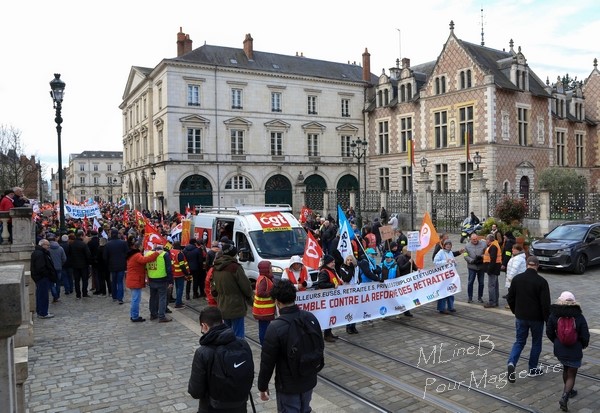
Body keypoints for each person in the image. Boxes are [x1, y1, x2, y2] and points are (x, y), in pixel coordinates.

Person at [258, 279, 324, 412]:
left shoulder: (275, 327)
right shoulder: (310, 317)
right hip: (309, 378)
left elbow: (267, 362)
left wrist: (262, 386)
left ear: (277, 302)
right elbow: (320, 345)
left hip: (288, 385)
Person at [188, 306, 253, 413]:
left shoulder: (203, 352)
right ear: (222, 321)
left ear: (204, 326)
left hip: (212, 407)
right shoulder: (243, 344)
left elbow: (195, 391)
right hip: (240, 406)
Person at [506, 255, 551, 383]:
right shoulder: (541, 282)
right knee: (536, 343)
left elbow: (510, 298)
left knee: (519, 342)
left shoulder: (517, 279)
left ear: (527, 265)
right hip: (536, 318)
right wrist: (547, 320)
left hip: (521, 316)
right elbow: (545, 304)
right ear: (537, 266)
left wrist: (515, 311)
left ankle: (511, 363)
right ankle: (532, 369)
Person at [546, 291, 590, 412]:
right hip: (574, 350)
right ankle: (565, 396)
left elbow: (549, 332)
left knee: (566, 369)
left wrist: (556, 341)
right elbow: (585, 334)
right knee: (572, 374)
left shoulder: (554, 315)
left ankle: (568, 390)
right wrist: (582, 345)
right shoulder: (578, 316)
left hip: (560, 349)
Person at [211, 240, 254, 338]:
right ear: (233, 254)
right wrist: (250, 298)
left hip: (222, 305)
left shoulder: (215, 267)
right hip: (236, 305)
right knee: (238, 335)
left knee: (226, 334)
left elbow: (213, 288)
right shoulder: (235, 267)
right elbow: (246, 287)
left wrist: (219, 299)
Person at [126, 241, 159, 322]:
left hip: (133, 279)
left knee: (135, 299)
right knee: (136, 299)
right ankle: (135, 316)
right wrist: (156, 253)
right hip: (135, 280)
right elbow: (145, 260)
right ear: (140, 247)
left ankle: (133, 315)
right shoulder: (137, 255)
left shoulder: (133, 255)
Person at [317, 254, 344, 342]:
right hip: (327, 298)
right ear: (327, 263)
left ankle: (329, 332)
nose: (333, 264)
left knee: (331, 315)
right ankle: (327, 335)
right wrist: (332, 285)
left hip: (332, 297)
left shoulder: (331, 270)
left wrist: (340, 282)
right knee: (328, 315)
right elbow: (321, 284)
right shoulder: (324, 272)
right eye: (332, 262)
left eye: (334, 262)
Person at [145, 244, 174, 322]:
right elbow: (169, 269)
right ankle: (161, 316)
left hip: (152, 279)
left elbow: (145, 267)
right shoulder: (164, 254)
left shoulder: (148, 254)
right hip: (162, 279)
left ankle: (153, 314)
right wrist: (170, 281)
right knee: (162, 298)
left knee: (153, 297)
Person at [30, 238, 58, 319]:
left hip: (40, 277)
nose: (49, 247)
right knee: (43, 295)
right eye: (47, 245)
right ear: (42, 245)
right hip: (42, 278)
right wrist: (47, 274)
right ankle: (43, 312)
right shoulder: (40, 254)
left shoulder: (39, 252)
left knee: (41, 295)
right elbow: (41, 268)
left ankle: (41, 311)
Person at [433, 240, 463, 314]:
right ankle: (441, 308)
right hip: (443, 276)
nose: (448, 246)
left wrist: (454, 262)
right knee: (443, 291)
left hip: (450, 276)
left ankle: (450, 306)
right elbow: (435, 262)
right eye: (447, 244)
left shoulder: (450, 253)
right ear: (444, 245)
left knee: (450, 290)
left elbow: (454, 264)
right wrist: (446, 261)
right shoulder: (440, 252)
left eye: (450, 244)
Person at [252, 260, 276, 345]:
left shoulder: (263, 278)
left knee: (264, 328)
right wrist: (272, 292)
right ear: (266, 269)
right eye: (270, 268)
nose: (272, 270)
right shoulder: (264, 280)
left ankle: (265, 344)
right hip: (264, 311)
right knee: (264, 329)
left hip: (263, 310)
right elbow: (260, 293)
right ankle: (264, 345)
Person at [104, 228, 129, 304]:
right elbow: (127, 253)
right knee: (120, 282)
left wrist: (108, 264)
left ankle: (114, 296)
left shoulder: (108, 244)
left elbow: (105, 257)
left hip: (112, 266)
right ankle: (120, 298)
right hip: (121, 265)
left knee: (113, 281)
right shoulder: (123, 243)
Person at [463, 233, 487, 304]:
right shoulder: (467, 246)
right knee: (470, 282)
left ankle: (480, 297)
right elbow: (465, 255)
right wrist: (472, 261)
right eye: (473, 239)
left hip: (481, 266)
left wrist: (481, 257)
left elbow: (487, 253)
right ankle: (470, 297)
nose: (475, 240)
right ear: (470, 239)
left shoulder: (483, 244)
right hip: (472, 267)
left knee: (481, 283)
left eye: (476, 239)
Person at [339, 254, 359, 334]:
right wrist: (350, 269)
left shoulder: (356, 268)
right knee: (349, 309)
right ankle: (348, 326)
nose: (349, 261)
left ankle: (353, 326)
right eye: (348, 260)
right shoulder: (343, 269)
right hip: (347, 292)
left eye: (351, 260)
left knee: (355, 309)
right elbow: (347, 279)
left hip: (355, 291)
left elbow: (358, 278)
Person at [69, 230, 92, 300]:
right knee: (85, 280)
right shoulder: (83, 244)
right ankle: (84, 293)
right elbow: (88, 255)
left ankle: (78, 294)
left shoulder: (72, 244)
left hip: (75, 265)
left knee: (77, 280)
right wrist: (89, 263)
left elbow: (69, 254)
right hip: (84, 265)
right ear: (81, 236)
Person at [169, 241, 191, 309]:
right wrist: (186, 273)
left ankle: (178, 301)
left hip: (173, 272)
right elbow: (182, 265)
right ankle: (178, 303)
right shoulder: (179, 253)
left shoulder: (171, 251)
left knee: (177, 287)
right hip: (179, 273)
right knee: (180, 288)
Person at [504, 243, 527, 308]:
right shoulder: (517, 257)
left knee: (513, 292)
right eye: (512, 248)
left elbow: (514, 268)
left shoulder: (518, 258)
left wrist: (510, 277)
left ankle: (513, 305)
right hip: (516, 278)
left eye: (514, 249)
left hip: (515, 278)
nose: (512, 250)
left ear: (518, 250)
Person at [483, 233, 502, 308]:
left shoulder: (493, 246)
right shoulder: (495, 244)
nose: (485, 241)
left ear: (489, 240)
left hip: (493, 269)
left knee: (491, 286)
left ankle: (492, 302)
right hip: (496, 269)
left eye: (486, 239)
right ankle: (495, 301)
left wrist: (489, 270)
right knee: (495, 286)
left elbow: (493, 259)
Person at [46, 233, 66, 303]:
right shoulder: (60, 248)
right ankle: (57, 296)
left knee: (51, 283)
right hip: (58, 268)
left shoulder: (47, 249)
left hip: (50, 269)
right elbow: (64, 258)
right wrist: (60, 264)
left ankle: (55, 295)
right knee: (58, 282)